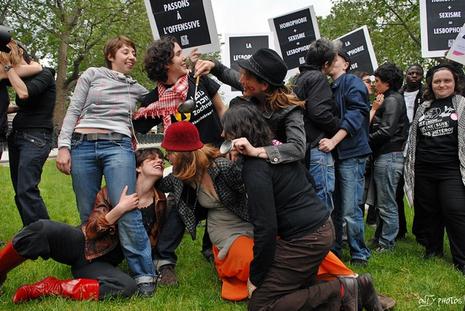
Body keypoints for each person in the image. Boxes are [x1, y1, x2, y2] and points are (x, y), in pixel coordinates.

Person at [222, 103, 383, 311]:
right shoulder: (276, 150)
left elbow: (266, 228)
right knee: (292, 290)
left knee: (261, 305)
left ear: (239, 135)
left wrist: (256, 277)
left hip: (307, 239)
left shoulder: (255, 168)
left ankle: (347, 288)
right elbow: (310, 182)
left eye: (228, 130)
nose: (222, 133)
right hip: (319, 229)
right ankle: (346, 294)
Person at [56, 36, 156, 295]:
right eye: (126, 51)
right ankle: (95, 264)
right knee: (88, 211)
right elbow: (74, 109)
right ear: (111, 54)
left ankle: (144, 273)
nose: (132, 57)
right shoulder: (92, 74)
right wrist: (64, 146)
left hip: (118, 146)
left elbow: (161, 99)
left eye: (134, 53)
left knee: (127, 207)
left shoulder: (135, 88)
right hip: (83, 145)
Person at [0, 148, 168, 302]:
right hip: (81, 243)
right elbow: (92, 230)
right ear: (138, 167)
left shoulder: (160, 201)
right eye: (152, 158)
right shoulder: (112, 191)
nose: (159, 161)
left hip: (100, 264)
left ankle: (52, 287)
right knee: (41, 229)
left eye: (161, 159)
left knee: (127, 287)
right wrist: (119, 209)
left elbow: (154, 241)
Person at [132, 36, 226, 286]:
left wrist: (230, 139)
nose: (184, 56)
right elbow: (132, 127)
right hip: (188, 166)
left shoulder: (199, 78)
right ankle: (164, 262)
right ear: (165, 64)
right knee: (182, 205)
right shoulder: (154, 101)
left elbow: (220, 108)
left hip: (218, 155)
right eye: (178, 53)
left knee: (221, 202)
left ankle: (212, 249)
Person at [157, 121, 252, 299]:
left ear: (183, 154)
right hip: (222, 228)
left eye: (169, 153)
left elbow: (248, 186)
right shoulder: (180, 174)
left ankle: (211, 251)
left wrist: (241, 159)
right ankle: (165, 262)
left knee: (273, 255)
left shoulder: (222, 166)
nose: (167, 157)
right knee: (248, 262)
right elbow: (160, 183)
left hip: (244, 219)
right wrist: (147, 168)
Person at [195, 47, 306, 164]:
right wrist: (212, 65)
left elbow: (298, 148)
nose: (241, 80)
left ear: (264, 85)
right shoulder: (252, 87)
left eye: (247, 77)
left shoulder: (290, 110)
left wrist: (256, 151)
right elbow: (225, 72)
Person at [404, 63, 465, 274]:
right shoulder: (424, 107)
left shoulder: (462, 104)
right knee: (429, 212)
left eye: (447, 80)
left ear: (455, 82)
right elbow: (414, 137)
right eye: (437, 81)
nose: (442, 84)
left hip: (451, 170)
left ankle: (462, 260)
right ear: (431, 83)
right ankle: (433, 250)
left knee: (455, 211)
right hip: (423, 169)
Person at [322, 47, 372, 265]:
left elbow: (357, 115)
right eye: (329, 58)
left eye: (337, 58)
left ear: (346, 64)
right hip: (337, 155)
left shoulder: (352, 82)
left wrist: (334, 141)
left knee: (351, 208)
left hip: (351, 154)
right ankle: (336, 248)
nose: (332, 60)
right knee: (338, 207)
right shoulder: (330, 87)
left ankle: (359, 253)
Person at [0, 40, 55, 226]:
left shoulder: (46, 74)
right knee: (19, 190)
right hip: (18, 135)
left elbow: (24, 94)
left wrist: (8, 68)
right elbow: (22, 104)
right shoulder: (21, 76)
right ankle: (30, 231)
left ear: (20, 53)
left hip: (36, 137)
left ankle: (46, 235)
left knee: (26, 189)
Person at [293, 38, 340, 211]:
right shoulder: (318, 78)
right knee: (322, 199)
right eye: (334, 62)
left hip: (305, 147)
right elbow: (319, 113)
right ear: (326, 64)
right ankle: (323, 238)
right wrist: (340, 126)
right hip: (317, 149)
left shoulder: (299, 78)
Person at [369, 62, 409, 252]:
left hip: (389, 156)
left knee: (386, 203)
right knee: (382, 202)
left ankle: (387, 244)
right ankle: (380, 239)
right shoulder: (390, 98)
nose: (375, 84)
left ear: (387, 82)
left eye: (377, 81)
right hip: (387, 156)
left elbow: (386, 130)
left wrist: (365, 140)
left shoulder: (392, 100)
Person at [397, 64, 424, 241]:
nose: (414, 76)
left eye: (417, 74)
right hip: (398, 147)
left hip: (419, 148)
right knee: (396, 190)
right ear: (406, 75)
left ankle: (420, 230)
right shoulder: (397, 95)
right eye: (410, 73)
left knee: (421, 192)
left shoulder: (426, 95)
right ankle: (400, 230)